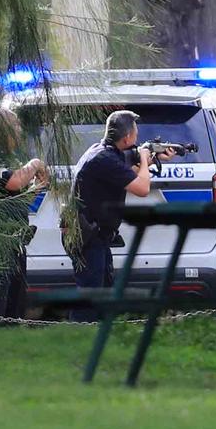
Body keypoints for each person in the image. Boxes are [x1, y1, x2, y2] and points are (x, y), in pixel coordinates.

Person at [67, 109, 169, 301]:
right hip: (88, 237)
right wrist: (146, 161)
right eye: (135, 134)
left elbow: (130, 171)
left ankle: (98, 329)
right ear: (128, 137)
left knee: (102, 296)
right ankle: (83, 330)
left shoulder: (104, 152)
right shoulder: (105, 159)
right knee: (89, 301)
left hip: (96, 235)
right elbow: (142, 188)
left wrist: (154, 158)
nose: (137, 138)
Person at [0, 107, 47, 322]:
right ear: (2, 129)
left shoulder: (8, 157)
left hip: (15, 242)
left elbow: (16, 197)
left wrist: (37, 188)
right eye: (15, 125)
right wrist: (35, 164)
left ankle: (6, 351)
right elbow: (13, 181)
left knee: (14, 307)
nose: (19, 130)